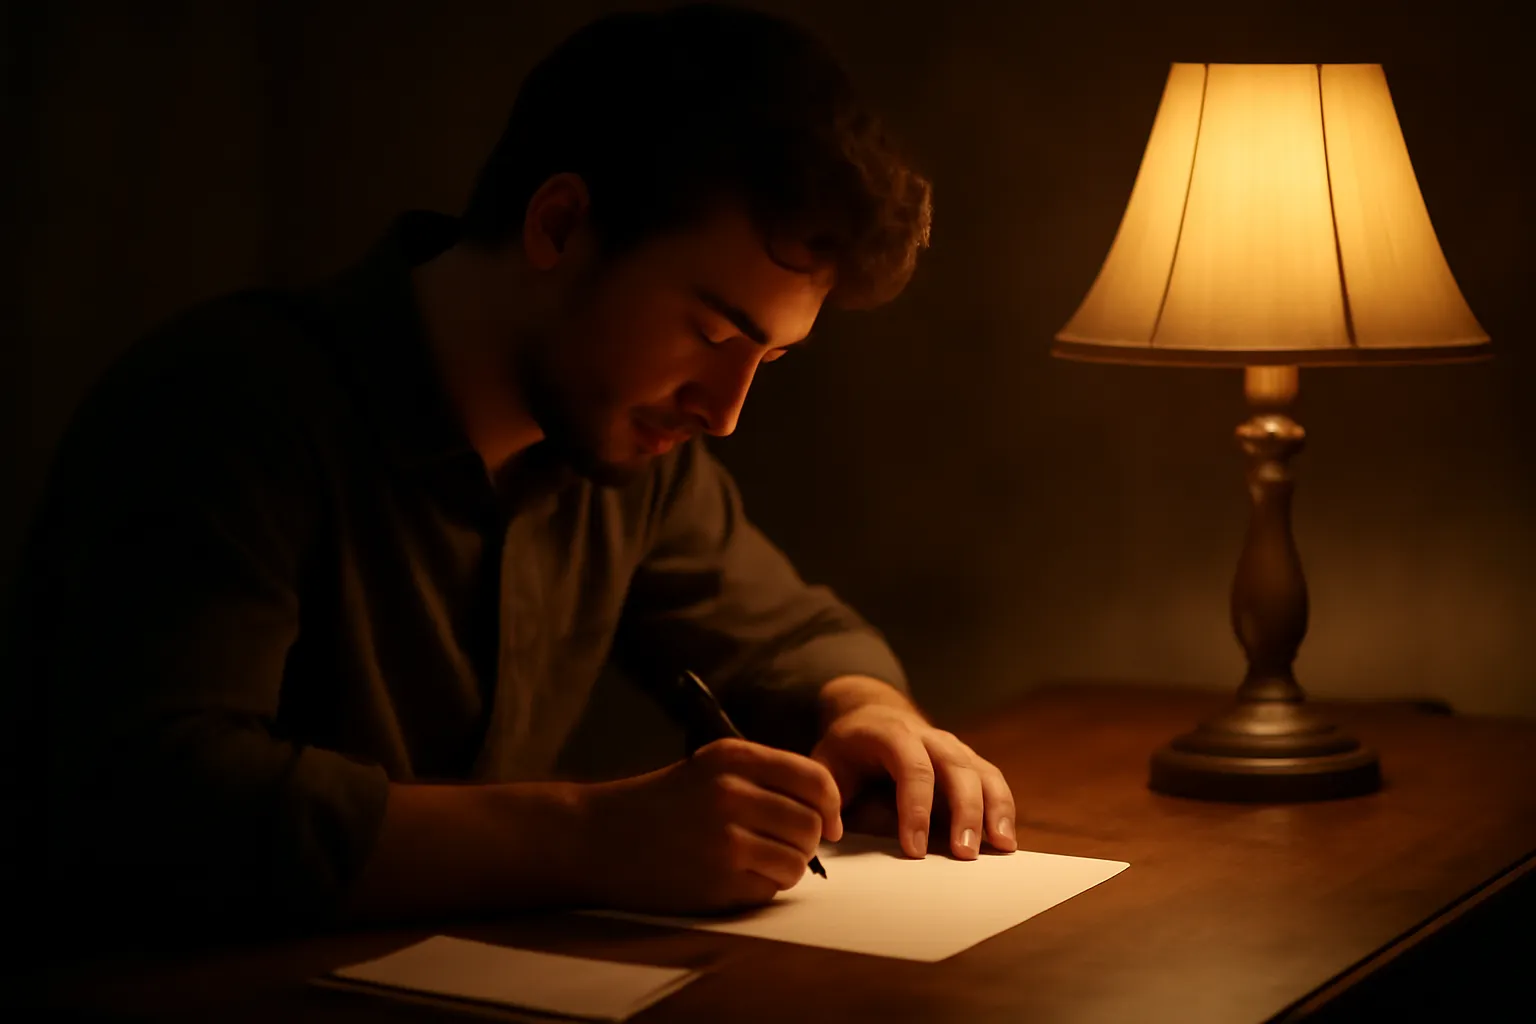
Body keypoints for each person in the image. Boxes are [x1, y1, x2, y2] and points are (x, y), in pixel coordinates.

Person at [12, 3, 1016, 940]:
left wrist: (869, 712)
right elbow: (157, 800)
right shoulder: (226, 408)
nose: (726, 410)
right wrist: (590, 836)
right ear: (559, 225)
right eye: (711, 332)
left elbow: (792, 632)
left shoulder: (628, 450)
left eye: (771, 359)